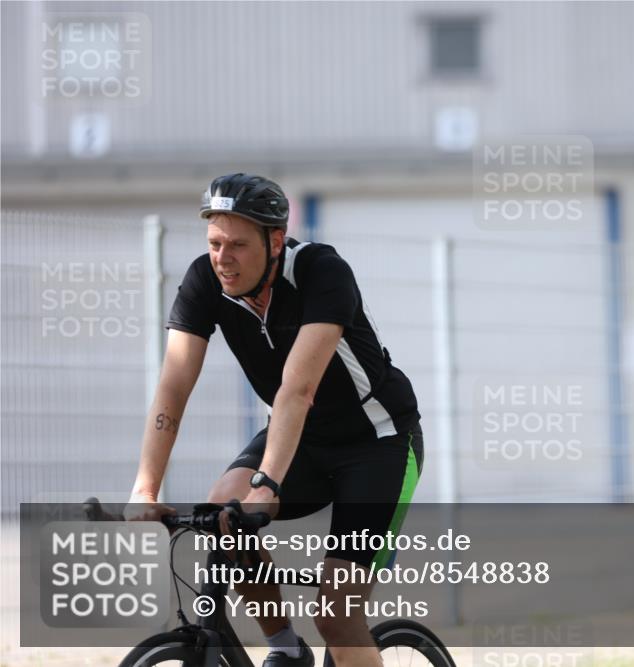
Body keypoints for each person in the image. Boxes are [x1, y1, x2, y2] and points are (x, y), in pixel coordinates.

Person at [126, 173, 422, 667]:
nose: (223, 258)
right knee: (223, 511)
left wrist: (267, 483)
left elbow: (297, 389)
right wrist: (146, 487)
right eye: (215, 243)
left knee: (337, 612)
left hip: (378, 442)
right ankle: (285, 648)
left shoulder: (322, 273)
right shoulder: (205, 282)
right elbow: (174, 385)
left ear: (276, 240)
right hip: (302, 439)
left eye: (238, 245)